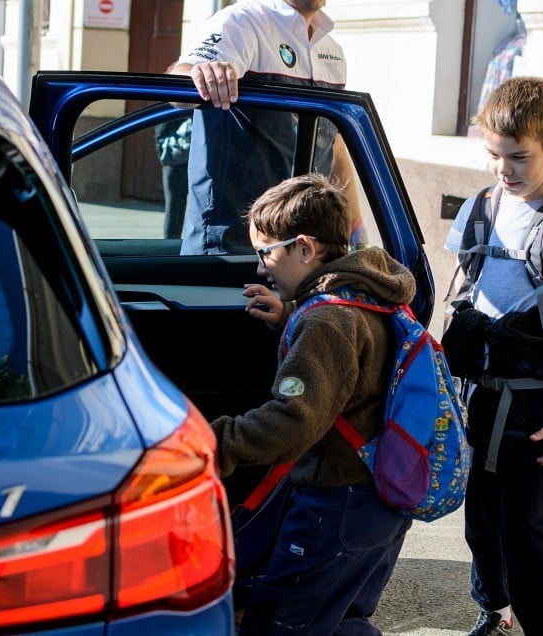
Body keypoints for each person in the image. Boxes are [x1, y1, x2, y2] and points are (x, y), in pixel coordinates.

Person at [211, 172, 413, 634]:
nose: (261, 267)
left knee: (282, 622)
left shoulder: (326, 324)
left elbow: (292, 420)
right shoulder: (363, 293)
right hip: (377, 500)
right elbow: (351, 373)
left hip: (336, 504)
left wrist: (216, 441)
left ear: (304, 248)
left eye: (266, 252)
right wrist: (290, 318)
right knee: (342, 617)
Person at [443, 76, 543, 636]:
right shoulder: (480, 208)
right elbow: (458, 293)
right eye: (494, 156)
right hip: (479, 397)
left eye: (518, 157)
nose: (504, 170)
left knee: (526, 526)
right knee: (482, 522)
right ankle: (494, 611)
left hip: (538, 406)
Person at [166, 0, 364, 255]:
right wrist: (199, 74)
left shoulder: (332, 51)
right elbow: (180, 85)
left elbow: (334, 151)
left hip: (300, 260)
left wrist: (358, 241)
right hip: (231, 255)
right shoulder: (240, 23)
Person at [154, 115, 191, 239]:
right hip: (175, 161)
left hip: (181, 159)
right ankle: (170, 249)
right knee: (174, 209)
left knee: (176, 209)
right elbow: (161, 129)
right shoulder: (174, 102)